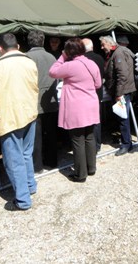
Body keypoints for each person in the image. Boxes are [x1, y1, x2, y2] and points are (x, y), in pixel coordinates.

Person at [0, 33, 39, 211]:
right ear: (17, 46)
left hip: (9, 116)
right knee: (25, 154)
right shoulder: (29, 61)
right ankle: (30, 186)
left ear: (0, 48)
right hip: (29, 113)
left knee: (14, 159)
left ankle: (22, 199)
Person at [48, 38, 102, 182]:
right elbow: (97, 84)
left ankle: (80, 174)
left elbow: (52, 72)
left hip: (77, 107)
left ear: (69, 51)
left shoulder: (70, 65)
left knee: (77, 140)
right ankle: (91, 168)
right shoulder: (92, 63)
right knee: (90, 137)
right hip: (91, 103)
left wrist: (62, 57)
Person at [26, 31, 58, 173]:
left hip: (34, 102)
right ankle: (52, 161)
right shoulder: (51, 57)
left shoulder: (27, 57)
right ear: (43, 41)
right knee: (51, 133)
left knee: (35, 135)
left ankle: (37, 166)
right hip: (51, 100)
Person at [100, 35, 136, 156]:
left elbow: (122, 75)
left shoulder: (118, 53)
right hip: (119, 90)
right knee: (122, 117)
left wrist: (119, 93)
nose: (101, 47)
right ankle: (126, 141)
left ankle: (126, 144)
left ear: (110, 43)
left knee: (123, 118)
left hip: (122, 91)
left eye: (103, 44)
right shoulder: (115, 52)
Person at [82, 38, 105, 152]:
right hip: (98, 94)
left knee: (88, 122)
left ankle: (91, 146)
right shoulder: (100, 58)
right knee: (97, 121)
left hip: (87, 95)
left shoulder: (83, 60)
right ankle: (97, 144)